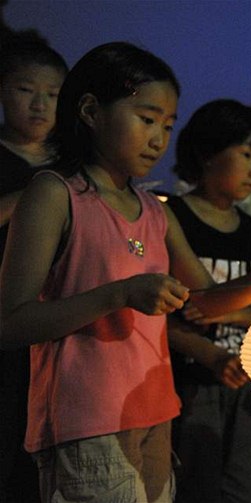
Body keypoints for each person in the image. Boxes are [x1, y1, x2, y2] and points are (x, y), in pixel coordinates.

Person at [0, 41, 251, 503]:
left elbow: (203, 301)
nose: (159, 138)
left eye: (167, 124)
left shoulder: (154, 211)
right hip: (86, 420)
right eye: (146, 119)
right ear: (90, 110)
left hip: (156, 413)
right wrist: (118, 294)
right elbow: (11, 322)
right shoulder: (54, 193)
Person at [166, 99, 251, 503]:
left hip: (246, 381)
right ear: (207, 152)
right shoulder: (172, 219)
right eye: (246, 154)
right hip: (186, 380)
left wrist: (229, 310)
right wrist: (208, 350)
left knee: (241, 482)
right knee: (192, 479)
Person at [0, 34, 67, 503]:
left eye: (54, 94)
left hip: (58, 318)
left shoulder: (73, 164)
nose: (40, 104)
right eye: (26, 89)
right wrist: (38, 195)